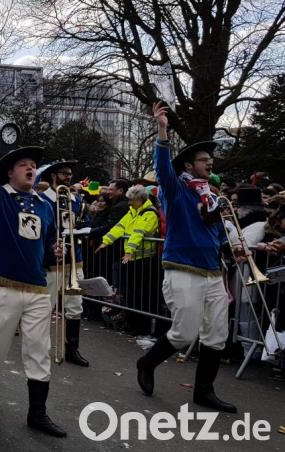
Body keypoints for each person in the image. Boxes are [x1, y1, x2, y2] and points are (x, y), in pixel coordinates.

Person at [0, 106, 66, 437]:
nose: (32, 169)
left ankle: (38, 412)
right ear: (10, 172)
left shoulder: (44, 205)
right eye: (25, 165)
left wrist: (56, 250)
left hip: (36, 289)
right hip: (1, 285)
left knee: (39, 351)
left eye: (34, 166)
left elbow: (49, 241)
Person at [136, 102, 238, 413]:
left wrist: (235, 249)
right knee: (184, 333)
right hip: (183, 270)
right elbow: (164, 169)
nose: (210, 163)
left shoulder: (211, 197)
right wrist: (163, 131)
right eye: (204, 160)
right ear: (189, 166)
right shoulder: (176, 190)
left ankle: (204, 392)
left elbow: (217, 234)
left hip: (212, 272)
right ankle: (147, 362)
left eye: (211, 159)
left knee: (217, 335)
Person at [39, 160, 90, 367]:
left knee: (75, 307)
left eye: (70, 174)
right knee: (44, 308)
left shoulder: (76, 199)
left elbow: (84, 222)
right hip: (51, 262)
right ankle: (40, 347)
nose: (68, 177)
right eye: (63, 173)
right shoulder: (42, 200)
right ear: (53, 176)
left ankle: (72, 350)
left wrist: (85, 229)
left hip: (74, 261)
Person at [96, 185, 161, 336]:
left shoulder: (149, 213)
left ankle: (141, 327)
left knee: (142, 295)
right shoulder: (133, 211)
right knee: (131, 293)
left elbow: (138, 233)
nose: (129, 203)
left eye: (131, 200)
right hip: (132, 258)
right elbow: (120, 227)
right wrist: (106, 241)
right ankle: (132, 324)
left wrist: (129, 251)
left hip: (145, 260)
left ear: (140, 199)